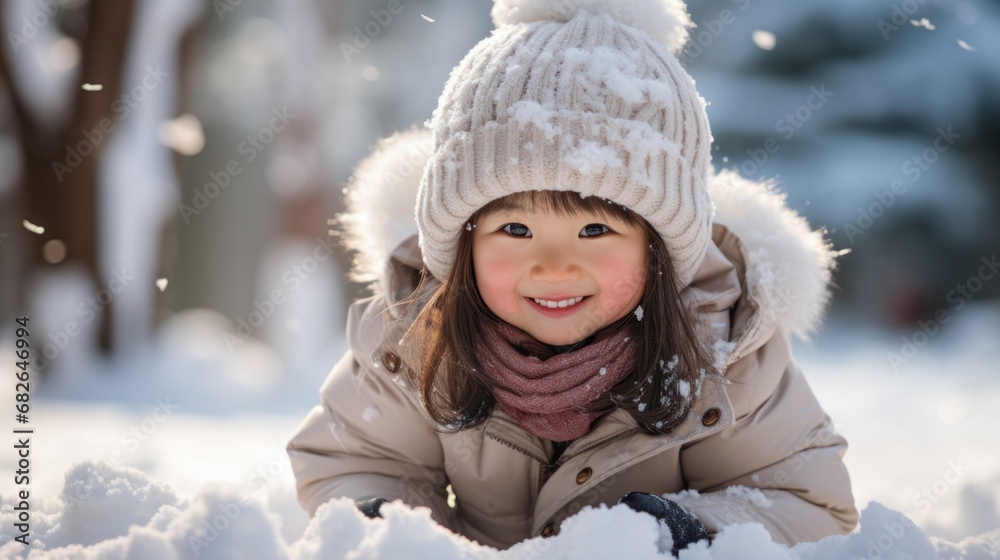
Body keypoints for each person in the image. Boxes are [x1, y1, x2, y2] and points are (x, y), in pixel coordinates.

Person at [287, 0, 858, 554]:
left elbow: (803, 503)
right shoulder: (414, 340)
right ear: (462, 245)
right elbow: (360, 464)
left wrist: (681, 536)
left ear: (659, 249)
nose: (554, 267)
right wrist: (391, 531)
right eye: (514, 230)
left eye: (594, 232)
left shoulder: (723, 352)